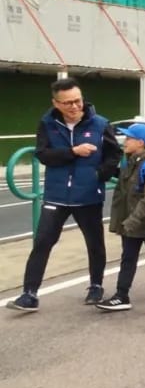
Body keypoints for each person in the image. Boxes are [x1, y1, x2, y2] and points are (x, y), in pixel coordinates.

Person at [9, 79, 121, 312]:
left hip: (88, 195)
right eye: (68, 102)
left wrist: (99, 174)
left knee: (95, 243)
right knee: (42, 242)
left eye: (78, 100)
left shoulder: (100, 124)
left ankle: (96, 286)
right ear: (56, 103)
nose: (74, 106)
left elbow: (114, 155)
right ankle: (29, 294)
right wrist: (73, 152)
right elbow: (43, 154)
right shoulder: (47, 124)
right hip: (56, 195)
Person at [96, 123, 145, 310]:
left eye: (129, 138)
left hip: (144, 221)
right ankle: (123, 294)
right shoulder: (129, 163)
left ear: (141, 142)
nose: (125, 141)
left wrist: (133, 220)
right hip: (131, 221)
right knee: (131, 257)